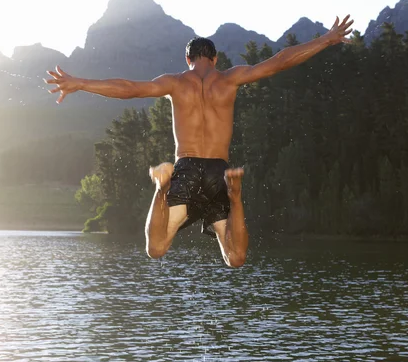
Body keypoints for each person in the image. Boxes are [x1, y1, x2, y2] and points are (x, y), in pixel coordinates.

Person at [45, 15, 354, 268]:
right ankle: (235, 197)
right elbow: (278, 62)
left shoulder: (175, 83)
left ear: (187, 58)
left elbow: (129, 88)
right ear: (215, 59)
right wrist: (326, 39)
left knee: (156, 249)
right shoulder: (230, 78)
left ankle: (162, 187)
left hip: (187, 168)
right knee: (235, 258)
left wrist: (81, 83)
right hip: (219, 171)